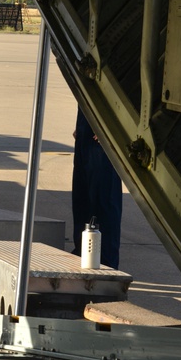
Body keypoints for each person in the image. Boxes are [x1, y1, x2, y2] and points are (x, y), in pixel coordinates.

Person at [71, 108, 123, 268]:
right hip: (86, 127)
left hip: (104, 130)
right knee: (82, 199)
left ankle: (106, 261)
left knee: (103, 200)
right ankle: (83, 253)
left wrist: (111, 127)